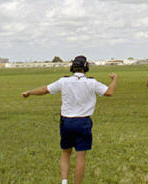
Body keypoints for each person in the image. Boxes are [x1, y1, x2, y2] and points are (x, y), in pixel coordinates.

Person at [21, 55, 117, 184]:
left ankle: (64, 181)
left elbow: (45, 90)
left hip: (67, 122)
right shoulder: (91, 82)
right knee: (80, 156)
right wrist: (115, 79)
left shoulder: (63, 81)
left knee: (66, 152)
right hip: (83, 122)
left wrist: (29, 92)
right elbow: (109, 92)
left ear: (72, 67)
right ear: (86, 67)